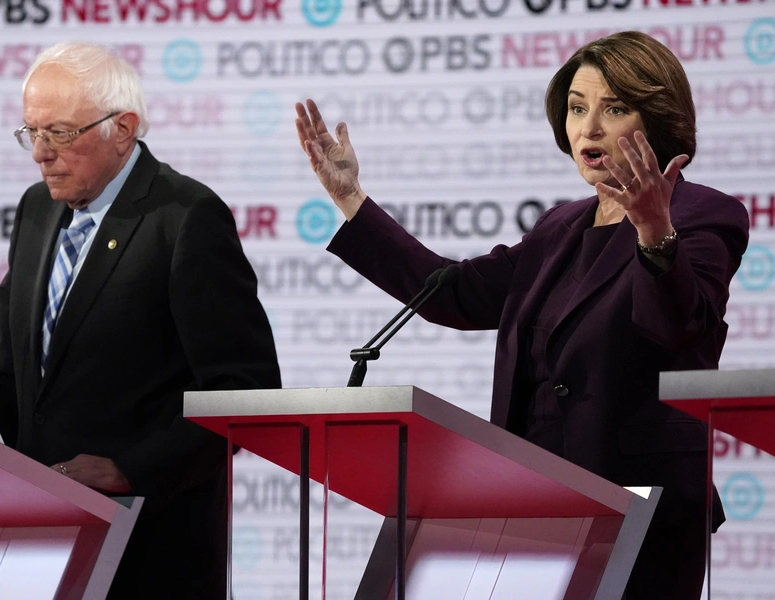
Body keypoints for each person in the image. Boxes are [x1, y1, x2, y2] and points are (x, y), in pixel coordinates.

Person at [295, 31, 748, 600]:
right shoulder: (561, 227)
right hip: (535, 510)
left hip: (641, 515)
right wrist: (351, 199)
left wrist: (655, 232)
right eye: (577, 109)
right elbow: (450, 292)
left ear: (656, 118)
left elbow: (682, 325)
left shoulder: (705, 215)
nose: (589, 127)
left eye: (614, 109)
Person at [0, 41, 281, 599]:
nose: (39, 152)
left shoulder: (185, 219)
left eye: (58, 132)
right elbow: (9, 377)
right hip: (40, 545)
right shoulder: (36, 210)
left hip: (150, 549)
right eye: (31, 132)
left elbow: (246, 393)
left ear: (122, 128)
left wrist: (127, 469)